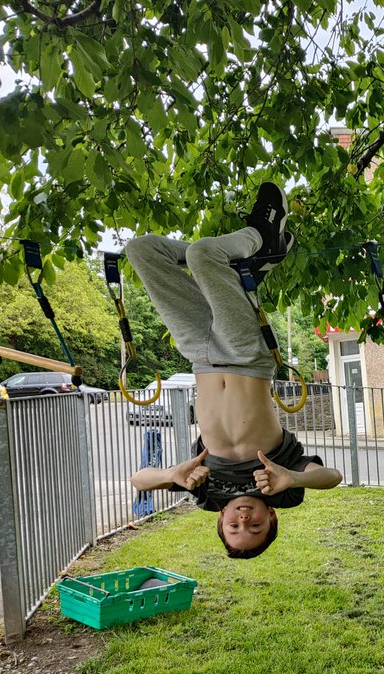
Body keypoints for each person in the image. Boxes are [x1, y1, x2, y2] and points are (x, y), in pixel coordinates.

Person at [125, 183, 343, 558]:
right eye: (255, 526)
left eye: (234, 526)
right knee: (205, 253)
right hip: (245, 359)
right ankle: (262, 237)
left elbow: (138, 480)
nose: (244, 518)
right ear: (271, 517)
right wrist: (292, 475)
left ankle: (247, 267)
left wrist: (171, 475)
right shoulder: (281, 487)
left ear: (221, 517)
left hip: (200, 357)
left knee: (142, 250)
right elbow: (332, 477)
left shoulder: (206, 494)